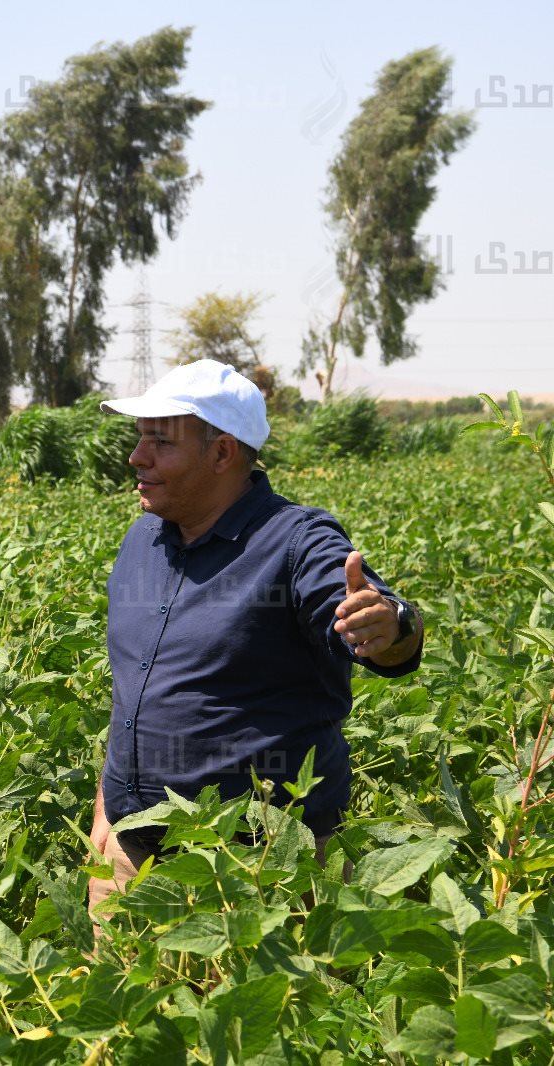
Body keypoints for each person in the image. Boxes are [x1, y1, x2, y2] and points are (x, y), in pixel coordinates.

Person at [87, 359, 425, 917]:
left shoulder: (295, 541)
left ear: (222, 453)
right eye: (140, 438)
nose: (136, 458)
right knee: (115, 1003)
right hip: (131, 860)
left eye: (160, 442)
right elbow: (135, 695)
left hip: (260, 874)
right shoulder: (143, 538)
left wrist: (390, 624)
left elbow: (377, 629)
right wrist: (109, 806)